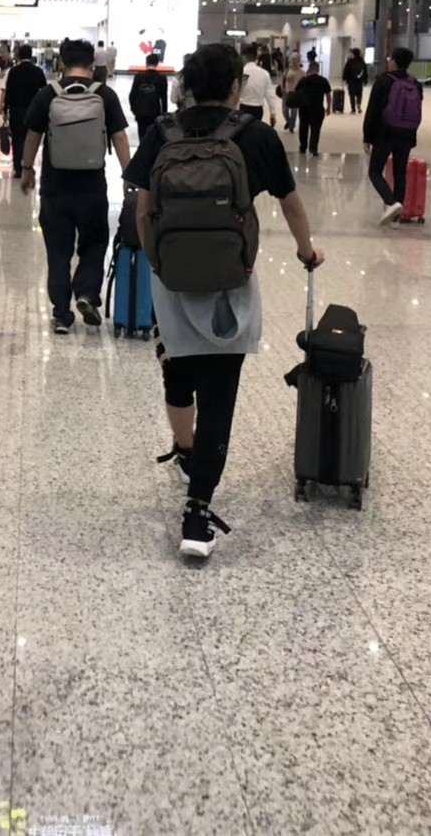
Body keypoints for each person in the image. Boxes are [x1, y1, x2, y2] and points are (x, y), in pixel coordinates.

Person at [124, 44, 323, 561]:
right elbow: (291, 204)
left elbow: (143, 211)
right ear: (237, 86)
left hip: (172, 285)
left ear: (187, 87)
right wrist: (306, 251)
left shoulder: (161, 133)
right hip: (230, 286)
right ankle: (197, 512)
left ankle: (185, 449)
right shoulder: (254, 136)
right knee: (218, 397)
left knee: (177, 372)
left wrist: (160, 266)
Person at [21, 39, 130, 334]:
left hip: (55, 187)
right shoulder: (104, 95)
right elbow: (120, 137)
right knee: (95, 243)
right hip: (92, 187)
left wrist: (27, 170)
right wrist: (129, 175)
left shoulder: (48, 94)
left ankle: (61, 314)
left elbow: (32, 136)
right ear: (92, 64)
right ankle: (87, 293)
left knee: (58, 250)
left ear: (61, 63)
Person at [363, 46, 424, 226]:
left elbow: (372, 111)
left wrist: (367, 137)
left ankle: (391, 203)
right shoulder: (415, 83)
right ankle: (396, 220)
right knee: (400, 173)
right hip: (406, 134)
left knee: (375, 171)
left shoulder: (383, 81)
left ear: (394, 62)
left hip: (385, 133)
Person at [0, 44, 48, 178]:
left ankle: (17, 167)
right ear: (31, 55)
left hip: (16, 110)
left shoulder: (14, 71)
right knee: (30, 138)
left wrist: (5, 109)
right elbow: (44, 91)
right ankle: (28, 165)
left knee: (17, 138)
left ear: (19, 55)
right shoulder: (38, 71)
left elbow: (8, 92)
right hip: (33, 110)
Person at [294, 61, 332, 155]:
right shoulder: (323, 80)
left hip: (304, 108)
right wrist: (328, 107)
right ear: (318, 69)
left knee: (303, 129)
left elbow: (296, 92)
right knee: (315, 130)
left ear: (309, 69)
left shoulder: (303, 80)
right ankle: (313, 149)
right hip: (318, 109)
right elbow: (328, 95)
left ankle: (303, 147)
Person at [129, 54, 168, 141]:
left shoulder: (139, 76)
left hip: (141, 112)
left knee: (142, 136)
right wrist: (164, 114)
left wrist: (134, 109)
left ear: (146, 63)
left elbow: (132, 95)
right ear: (157, 63)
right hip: (155, 112)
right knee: (153, 137)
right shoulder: (162, 78)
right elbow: (164, 98)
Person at [239, 42, 278, 126]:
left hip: (243, 108)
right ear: (256, 57)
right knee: (255, 129)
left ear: (243, 57)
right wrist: (273, 113)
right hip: (258, 109)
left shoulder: (240, 72)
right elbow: (270, 95)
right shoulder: (264, 73)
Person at [281, 55, 305, 133]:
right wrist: (282, 87)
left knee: (294, 112)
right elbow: (283, 79)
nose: (293, 62)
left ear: (299, 61)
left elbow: (304, 84)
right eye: (292, 60)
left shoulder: (302, 73)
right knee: (284, 110)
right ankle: (288, 121)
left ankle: (292, 126)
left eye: (295, 60)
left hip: (296, 94)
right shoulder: (287, 70)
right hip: (286, 93)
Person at [342, 47, 368, 114]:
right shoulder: (362, 62)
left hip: (351, 80)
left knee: (352, 95)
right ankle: (358, 104)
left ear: (353, 53)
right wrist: (365, 80)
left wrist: (344, 78)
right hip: (359, 81)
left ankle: (353, 109)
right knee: (359, 94)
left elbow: (346, 70)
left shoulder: (350, 61)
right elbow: (365, 72)